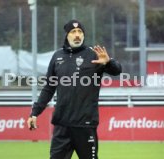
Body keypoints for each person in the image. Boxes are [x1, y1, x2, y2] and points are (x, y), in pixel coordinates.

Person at [27, 19, 122, 159]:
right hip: (62, 125)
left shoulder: (94, 54)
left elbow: (117, 71)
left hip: (85, 125)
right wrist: (34, 112)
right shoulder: (57, 56)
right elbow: (48, 88)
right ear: (67, 35)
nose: (77, 35)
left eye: (80, 32)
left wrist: (109, 62)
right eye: (73, 32)